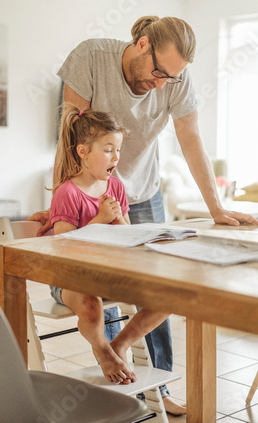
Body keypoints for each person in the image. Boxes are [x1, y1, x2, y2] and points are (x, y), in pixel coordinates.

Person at [29, 15, 258, 415]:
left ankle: (157, 383)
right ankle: (116, 377)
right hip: (89, 191)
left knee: (161, 284)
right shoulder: (91, 58)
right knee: (102, 288)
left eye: (169, 79)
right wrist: (61, 203)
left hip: (138, 191)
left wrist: (216, 208)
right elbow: (69, 139)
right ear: (141, 43)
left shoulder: (175, 78)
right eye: (157, 72)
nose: (159, 85)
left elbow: (190, 140)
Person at [49, 103, 169, 384]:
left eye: (118, 149)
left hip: (109, 274)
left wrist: (117, 222)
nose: (116, 156)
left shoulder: (116, 187)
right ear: (83, 152)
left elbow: (127, 236)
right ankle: (104, 351)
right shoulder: (67, 193)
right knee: (91, 307)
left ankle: (121, 344)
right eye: (107, 149)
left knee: (168, 296)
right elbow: (62, 249)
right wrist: (102, 218)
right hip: (69, 279)